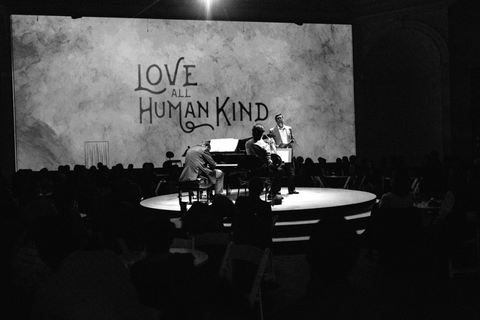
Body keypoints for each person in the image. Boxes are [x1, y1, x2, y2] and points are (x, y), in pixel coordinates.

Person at [233, 177, 275, 249]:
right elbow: (267, 227)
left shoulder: (240, 201)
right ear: (262, 189)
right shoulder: (265, 206)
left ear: (248, 188)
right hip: (259, 242)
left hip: (241, 239)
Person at [245, 123, 283, 201]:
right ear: (262, 133)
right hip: (262, 171)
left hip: (250, 171)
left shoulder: (247, 143)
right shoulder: (264, 145)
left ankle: (252, 194)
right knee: (280, 171)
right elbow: (268, 162)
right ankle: (273, 194)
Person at [269, 113, 299, 194]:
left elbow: (291, 138)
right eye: (278, 118)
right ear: (276, 120)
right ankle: (277, 190)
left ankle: (291, 189)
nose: (280, 119)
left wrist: (291, 142)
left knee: (291, 172)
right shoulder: (272, 130)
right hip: (279, 152)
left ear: (283, 119)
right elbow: (271, 142)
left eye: (281, 118)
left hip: (288, 151)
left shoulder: (289, 128)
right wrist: (278, 146)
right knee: (279, 172)